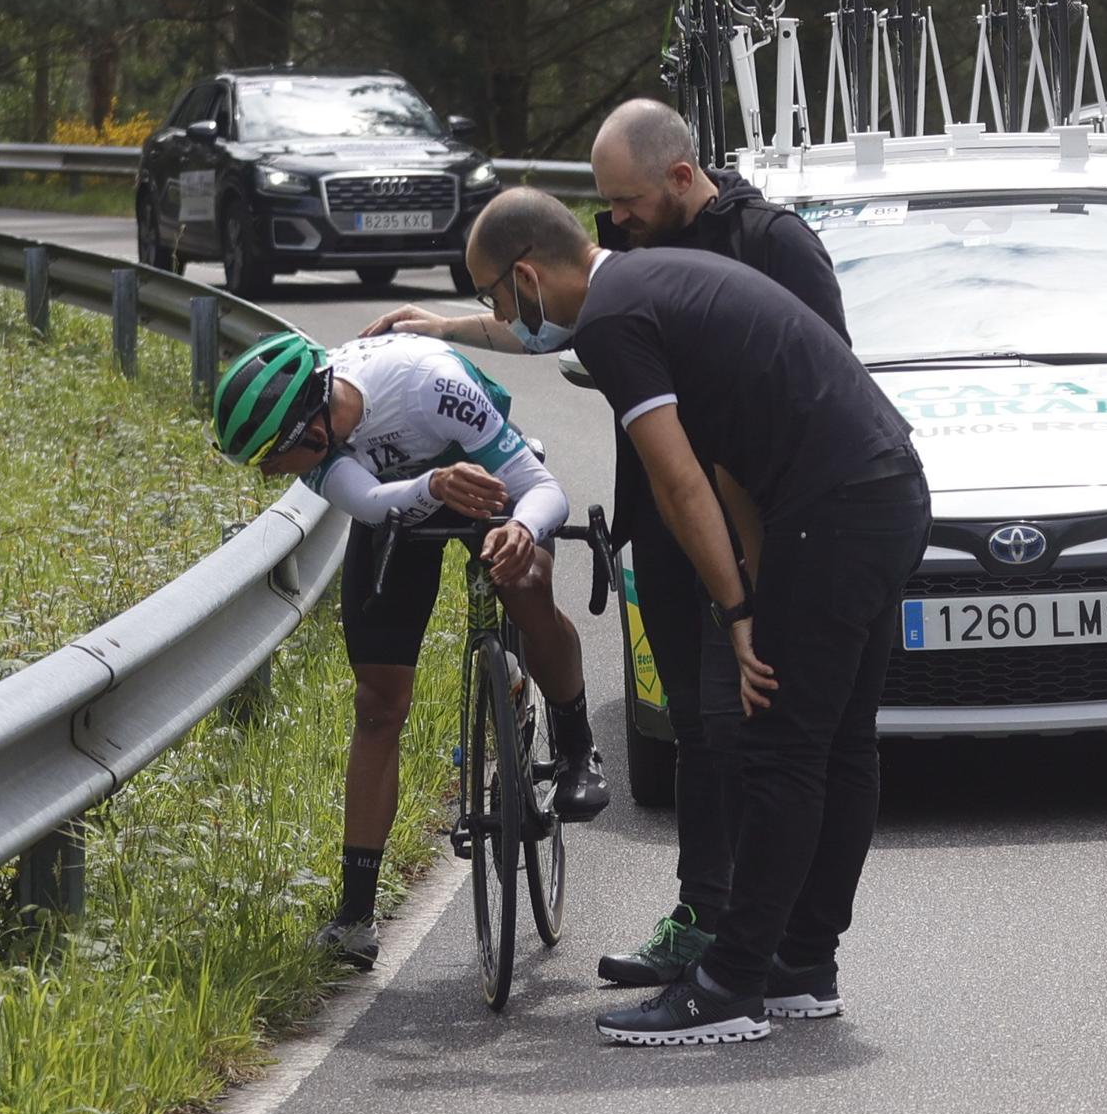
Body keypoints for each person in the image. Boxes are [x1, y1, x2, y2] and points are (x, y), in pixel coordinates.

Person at [361, 99, 850, 989]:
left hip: (761, 528)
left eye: (623, 202)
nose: (612, 222)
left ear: (678, 175)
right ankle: (706, 919)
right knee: (699, 730)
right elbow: (552, 311)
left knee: (757, 726)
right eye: (603, 205)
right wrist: (444, 328)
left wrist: (764, 564)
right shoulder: (633, 240)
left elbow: (821, 382)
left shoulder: (774, 245)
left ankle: (773, 943)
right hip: (664, 527)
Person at [461, 187, 929, 1046]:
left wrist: (738, 611)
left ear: (526, 277)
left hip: (829, 510)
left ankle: (729, 986)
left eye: (495, 298)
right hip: (889, 489)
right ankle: (800, 967)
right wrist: (749, 592)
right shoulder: (658, 281)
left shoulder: (611, 319)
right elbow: (732, 464)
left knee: (782, 748)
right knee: (840, 743)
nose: (502, 316)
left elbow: (678, 484)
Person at [210, 329, 609, 969]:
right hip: (405, 506)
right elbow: (371, 503)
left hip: (491, 483)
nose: (267, 475)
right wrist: (432, 486)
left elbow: (546, 491)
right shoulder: (314, 445)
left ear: (308, 429)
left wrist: (521, 527)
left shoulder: (428, 386)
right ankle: (354, 917)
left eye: (268, 460)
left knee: (527, 582)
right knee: (377, 703)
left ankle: (575, 747)